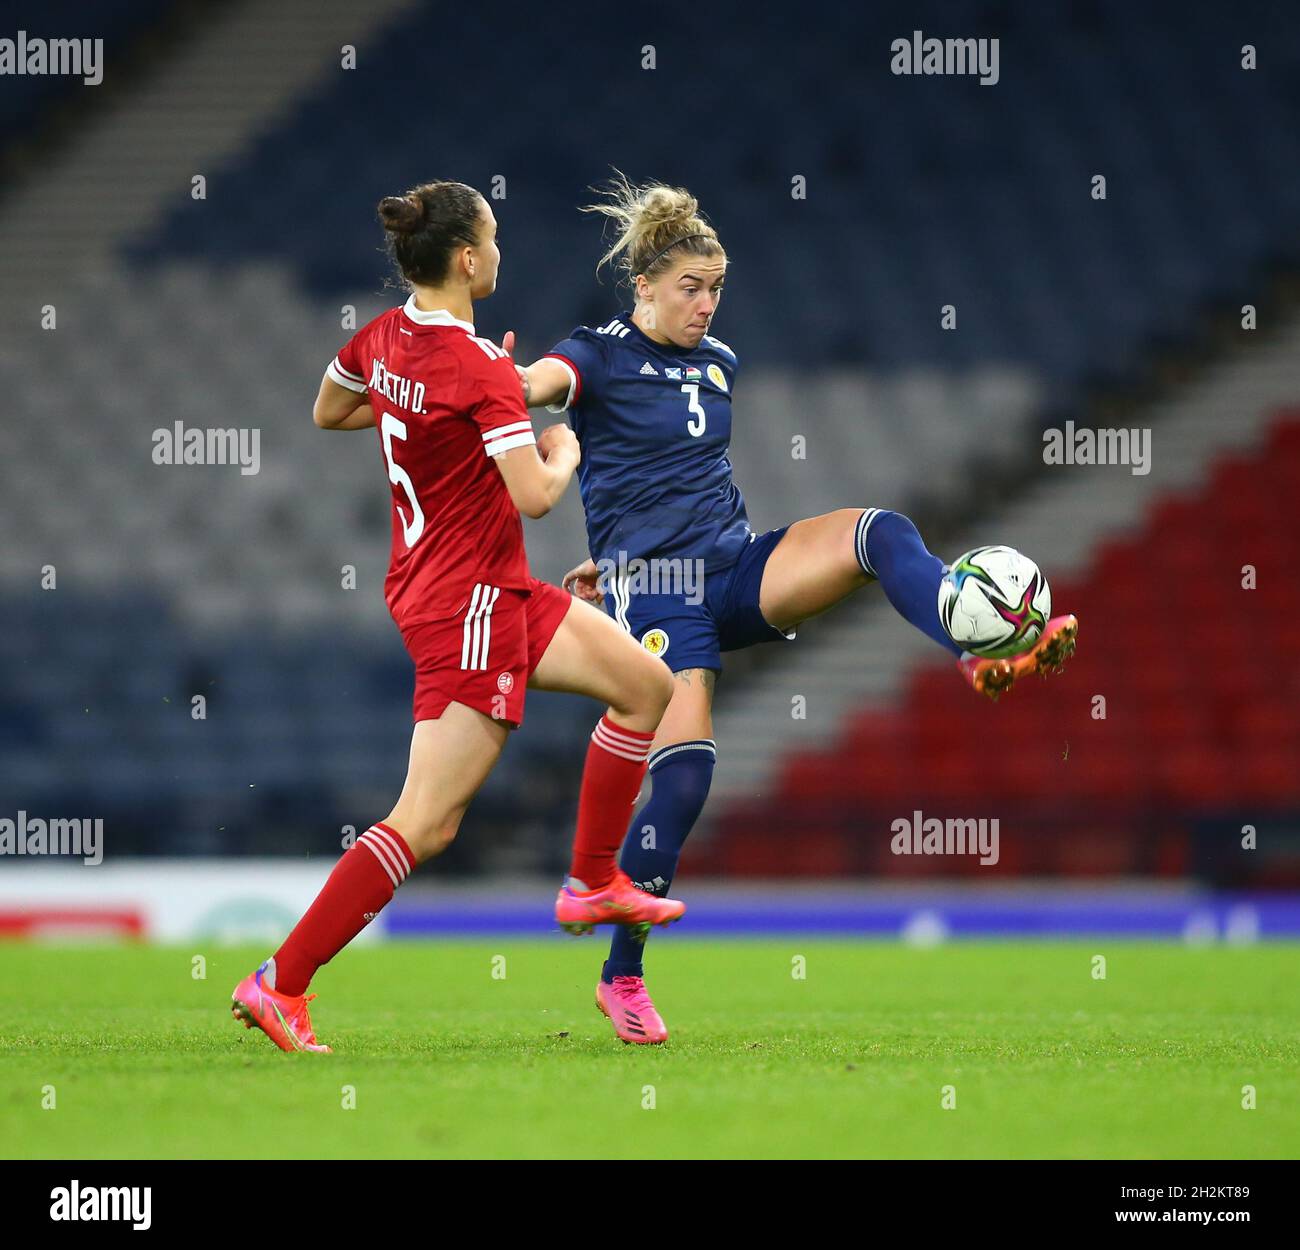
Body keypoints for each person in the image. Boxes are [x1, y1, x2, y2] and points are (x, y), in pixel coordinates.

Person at [509, 175, 1077, 1044]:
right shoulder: (596, 352)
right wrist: (493, 379)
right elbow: (532, 386)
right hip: (659, 593)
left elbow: (668, 481)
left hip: (734, 565)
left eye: (716, 288)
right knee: (690, 769)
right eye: (690, 288)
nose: (706, 305)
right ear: (646, 288)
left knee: (877, 533)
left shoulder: (720, 364)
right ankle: (621, 976)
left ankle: (973, 648)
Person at [231, 180, 684, 1053]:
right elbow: (538, 497)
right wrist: (560, 441)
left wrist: (445, 412)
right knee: (427, 820)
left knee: (643, 685)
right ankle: (280, 982)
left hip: (483, 585)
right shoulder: (476, 369)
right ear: (468, 259)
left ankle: (591, 882)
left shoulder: (381, 337)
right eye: (495, 237)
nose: (501, 250)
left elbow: (330, 409)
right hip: (467, 599)